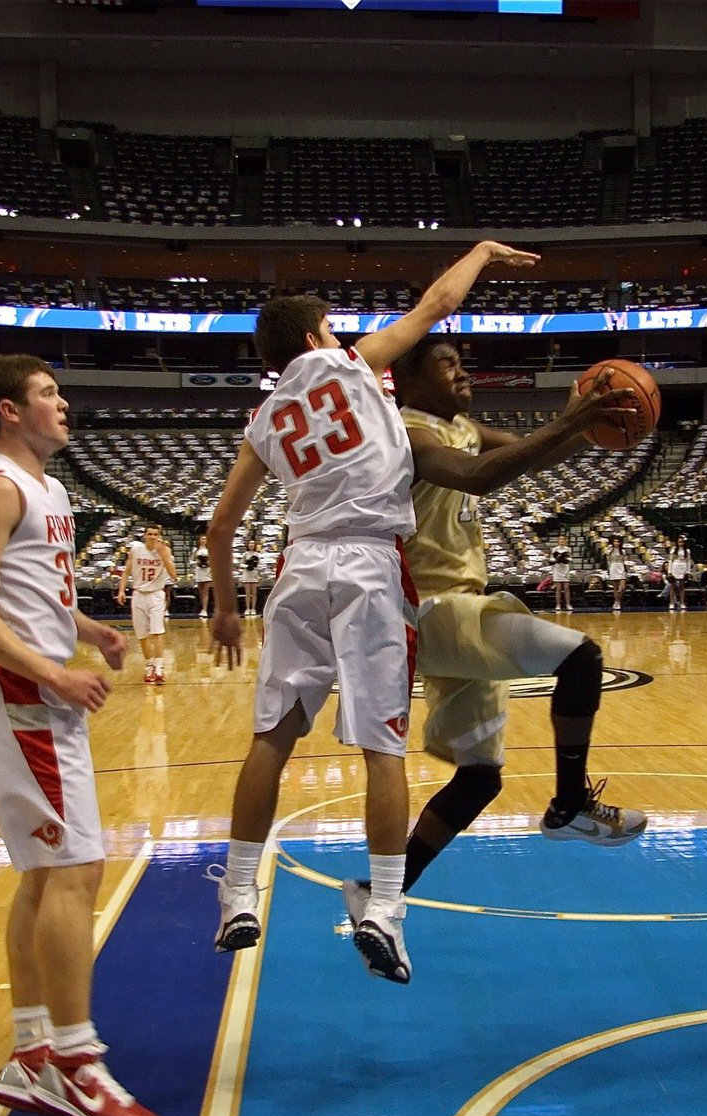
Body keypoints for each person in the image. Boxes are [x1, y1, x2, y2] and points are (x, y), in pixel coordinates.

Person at [208, 240, 541, 986]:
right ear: (312, 337)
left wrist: (227, 609)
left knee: (273, 735)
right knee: (381, 744)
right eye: (328, 325)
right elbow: (437, 307)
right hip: (368, 564)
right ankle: (385, 911)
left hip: (299, 566)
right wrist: (480, 253)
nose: (336, 331)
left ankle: (237, 894)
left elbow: (221, 527)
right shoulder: (356, 364)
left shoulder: (265, 417)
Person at [341, 339, 648, 932]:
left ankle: (377, 897)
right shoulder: (405, 431)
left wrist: (584, 431)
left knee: (480, 778)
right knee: (581, 657)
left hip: (453, 611)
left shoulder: (459, 426)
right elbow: (477, 476)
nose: (460, 371)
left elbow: (527, 459)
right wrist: (569, 420)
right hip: (433, 608)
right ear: (406, 377)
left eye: (461, 361)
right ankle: (568, 806)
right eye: (444, 363)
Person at [0, 353, 159, 1116]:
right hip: (23, 695)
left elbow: (35, 592)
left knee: (44, 874)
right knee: (74, 868)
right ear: (8, 410)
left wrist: (89, 629)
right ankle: (76, 1063)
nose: (63, 404)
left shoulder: (52, 490)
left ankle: (33, 1049)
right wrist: (52, 673)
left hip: (34, 690)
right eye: (47, 394)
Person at [116, 524, 178, 684]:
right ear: (145, 535)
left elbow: (174, 575)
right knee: (142, 635)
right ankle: (149, 665)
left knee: (157, 632)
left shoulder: (164, 550)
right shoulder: (136, 550)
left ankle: (159, 667)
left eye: (155, 534)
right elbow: (126, 571)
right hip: (138, 594)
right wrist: (121, 590)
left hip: (156, 594)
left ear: (159, 536)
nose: (152, 536)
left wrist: (164, 556)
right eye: (149, 533)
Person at [668, 534, 692, 611]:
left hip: (683, 567)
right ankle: (672, 603)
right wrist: (669, 571)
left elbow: (688, 561)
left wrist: (688, 571)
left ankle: (682, 602)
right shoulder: (673, 550)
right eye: (679, 542)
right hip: (675, 567)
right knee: (673, 586)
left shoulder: (687, 551)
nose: (680, 543)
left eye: (682, 542)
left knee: (682, 587)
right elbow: (670, 561)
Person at [549, 534, 573, 612]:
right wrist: (556, 559)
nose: (562, 541)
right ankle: (558, 604)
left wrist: (565, 559)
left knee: (566, 587)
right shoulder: (555, 549)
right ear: (558, 541)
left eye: (563, 539)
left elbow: (570, 558)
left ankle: (568, 604)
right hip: (557, 568)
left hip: (565, 569)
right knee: (558, 588)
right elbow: (551, 559)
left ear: (565, 541)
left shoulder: (568, 549)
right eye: (560, 539)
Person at [239, 537, 261, 617]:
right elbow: (240, 564)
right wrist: (247, 566)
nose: (251, 545)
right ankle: (248, 608)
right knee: (247, 593)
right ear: (248, 545)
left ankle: (253, 608)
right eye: (250, 543)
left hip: (254, 575)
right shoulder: (245, 554)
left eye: (253, 544)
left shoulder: (257, 555)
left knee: (254, 593)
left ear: (255, 545)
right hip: (247, 574)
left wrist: (254, 567)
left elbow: (260, 565)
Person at [193, 533, 212, 618]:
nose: (203, 541)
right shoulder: (195, 550)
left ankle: (205, 609)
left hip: (207, 571)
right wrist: (197, 563)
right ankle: (202, 608)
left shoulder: (210, 550)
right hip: (199, 571)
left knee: (206, 591)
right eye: (202, 539)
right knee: (201, 591)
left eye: (205, 539)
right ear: (199, 540)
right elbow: (191, 561)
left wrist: (209, 563)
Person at [606, 534, 627, 611]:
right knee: (615, 587)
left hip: (621, 567)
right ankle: (617, 601)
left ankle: (618, 600)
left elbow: (625, 561)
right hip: (613, 567)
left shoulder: (623, 551)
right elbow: (608, 560)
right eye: (615, 542)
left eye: (618, 542)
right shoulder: (610, 551)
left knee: (622, 587)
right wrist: (608, 569)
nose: (616, 543)